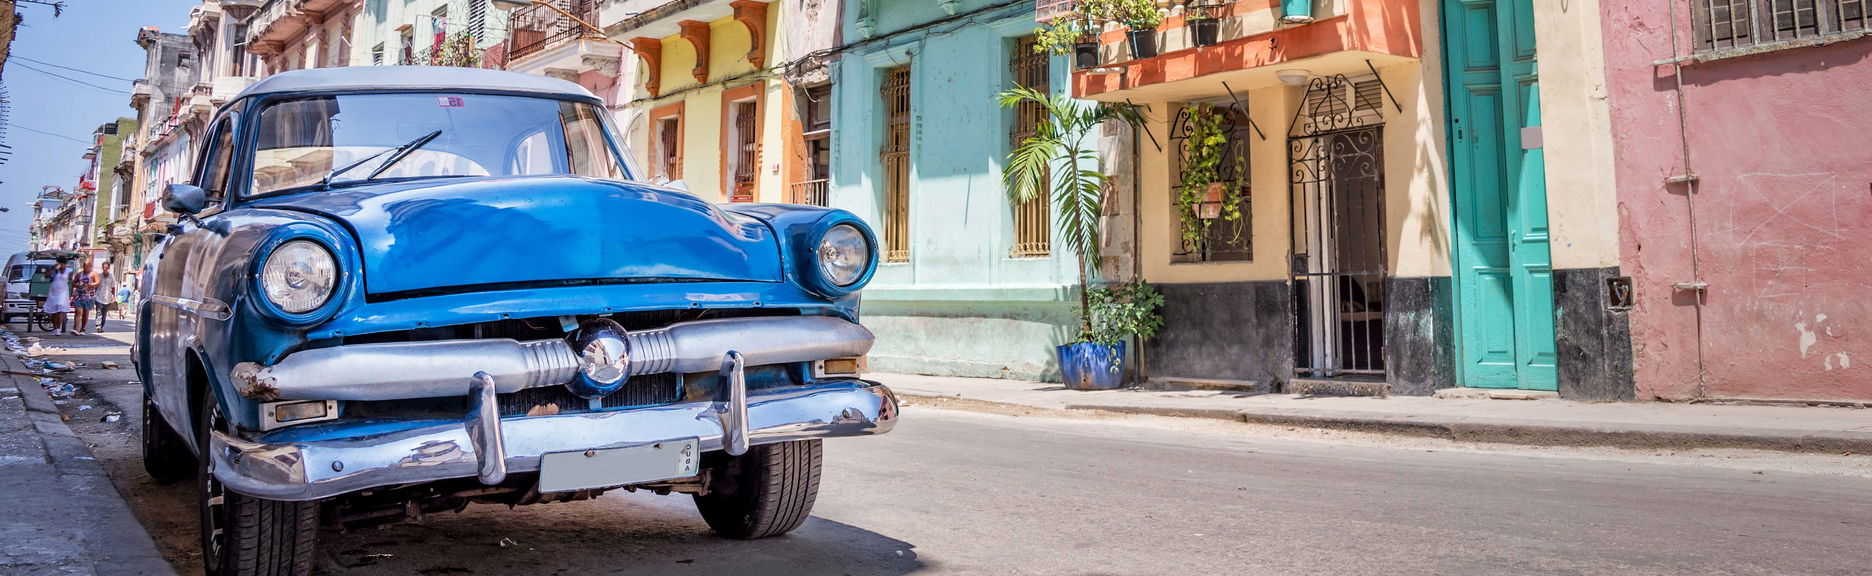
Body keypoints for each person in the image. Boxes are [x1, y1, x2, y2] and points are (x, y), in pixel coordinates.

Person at [43, 257, 72, 335]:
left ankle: (58, 329)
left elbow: (71, 279)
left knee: (60, 310)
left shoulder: (69, 271)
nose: (61, 265)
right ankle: (55, 328)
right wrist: (54, 269)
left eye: (63, 264)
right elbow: (46, 276)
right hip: (53, 292)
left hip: (63, 292)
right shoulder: (53, 269)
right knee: (54, 311)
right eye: (60, 263)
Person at [71, 263, 97, 335]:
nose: (86, 268)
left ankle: (82, 329)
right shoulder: (79, 274)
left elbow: (98, 282)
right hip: (79, 295)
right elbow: (73, 282)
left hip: (89, 296)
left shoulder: (94, 274)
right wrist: (78, 285)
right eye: (85, 266)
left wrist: (89, 285)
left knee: (86, 313)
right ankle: (76, 329)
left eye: (88, 266)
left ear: (91, 267)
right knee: (78, 312)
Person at [95, 266, 115, 331]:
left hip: (107, 297)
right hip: (98, 296)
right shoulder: (99, 276)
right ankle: (98, 326)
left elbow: (113, 287)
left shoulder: (111, 276)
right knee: (99, 312)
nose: (104, 269)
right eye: (103, 267)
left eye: (106, 267)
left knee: (104, 314)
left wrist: (113, 297)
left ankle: (101, 326)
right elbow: (96, 286)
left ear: (108, 268)